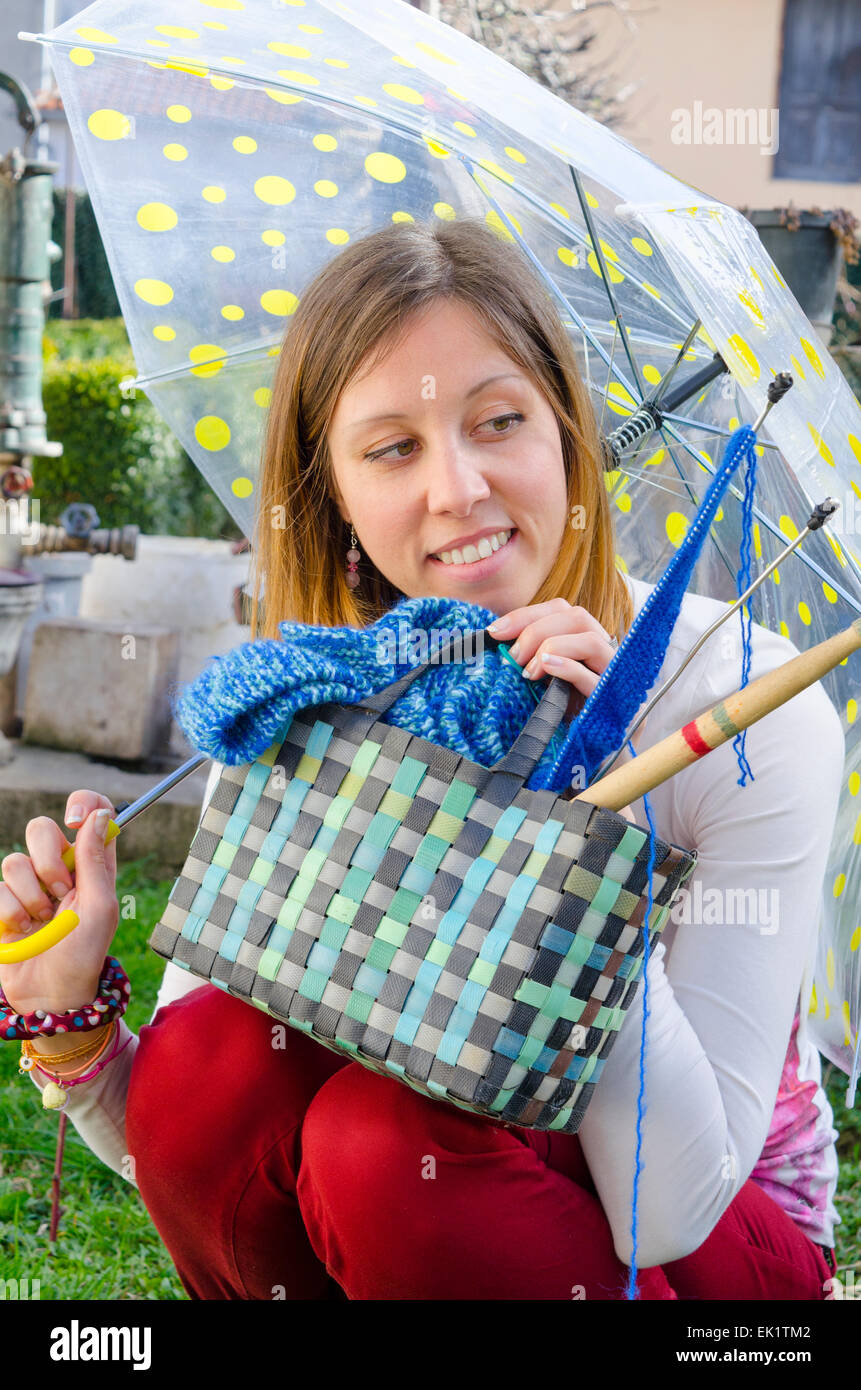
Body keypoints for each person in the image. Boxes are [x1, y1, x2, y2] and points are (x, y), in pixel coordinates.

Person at [0, 218, 844, 1301]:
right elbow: (207, 1145)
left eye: (500, 421)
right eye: (393, 446)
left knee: (384, 1138)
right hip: (448, 1207)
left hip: (714, 1243)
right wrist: (75, 1037)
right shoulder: (314, 693)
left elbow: (667, 1210)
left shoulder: (742, 710)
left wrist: (585, 855)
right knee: (213, 1062)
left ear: (569, 439)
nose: (457, 490)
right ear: (336, 498)